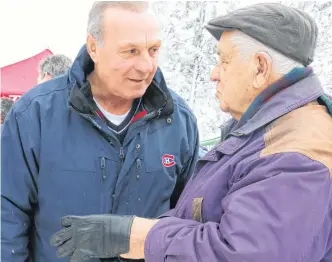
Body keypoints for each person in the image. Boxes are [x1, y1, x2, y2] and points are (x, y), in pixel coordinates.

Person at [51, 3, 332, 262]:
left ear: (260, 68)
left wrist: (134, 237)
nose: (213, 73)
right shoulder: (263, 131)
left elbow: (242, 254)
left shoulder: (297, 154)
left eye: (224, 60)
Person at [1, 2, 199, 261]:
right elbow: (7, 214)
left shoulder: (177, 120)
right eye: (130, 51)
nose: (146, 65)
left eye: (153, 50)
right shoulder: (35, 114)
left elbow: (187, 217)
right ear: (94, 47)